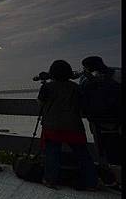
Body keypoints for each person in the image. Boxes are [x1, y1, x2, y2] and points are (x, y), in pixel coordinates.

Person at [38, 60, 97, 190]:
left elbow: (40, 103)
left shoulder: (47, 87)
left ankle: (50, 180)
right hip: (74, 125)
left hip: (53, 126)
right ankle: (91, 181)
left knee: (52, 153)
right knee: (82, 154)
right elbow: (82, 105)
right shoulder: (76, 87)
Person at [79, 56, 121, 189]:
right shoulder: (116, 74)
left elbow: (81, 99)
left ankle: (110, 180)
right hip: (118, 119)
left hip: (97, 121)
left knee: (102, 151)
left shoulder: (85, 79)